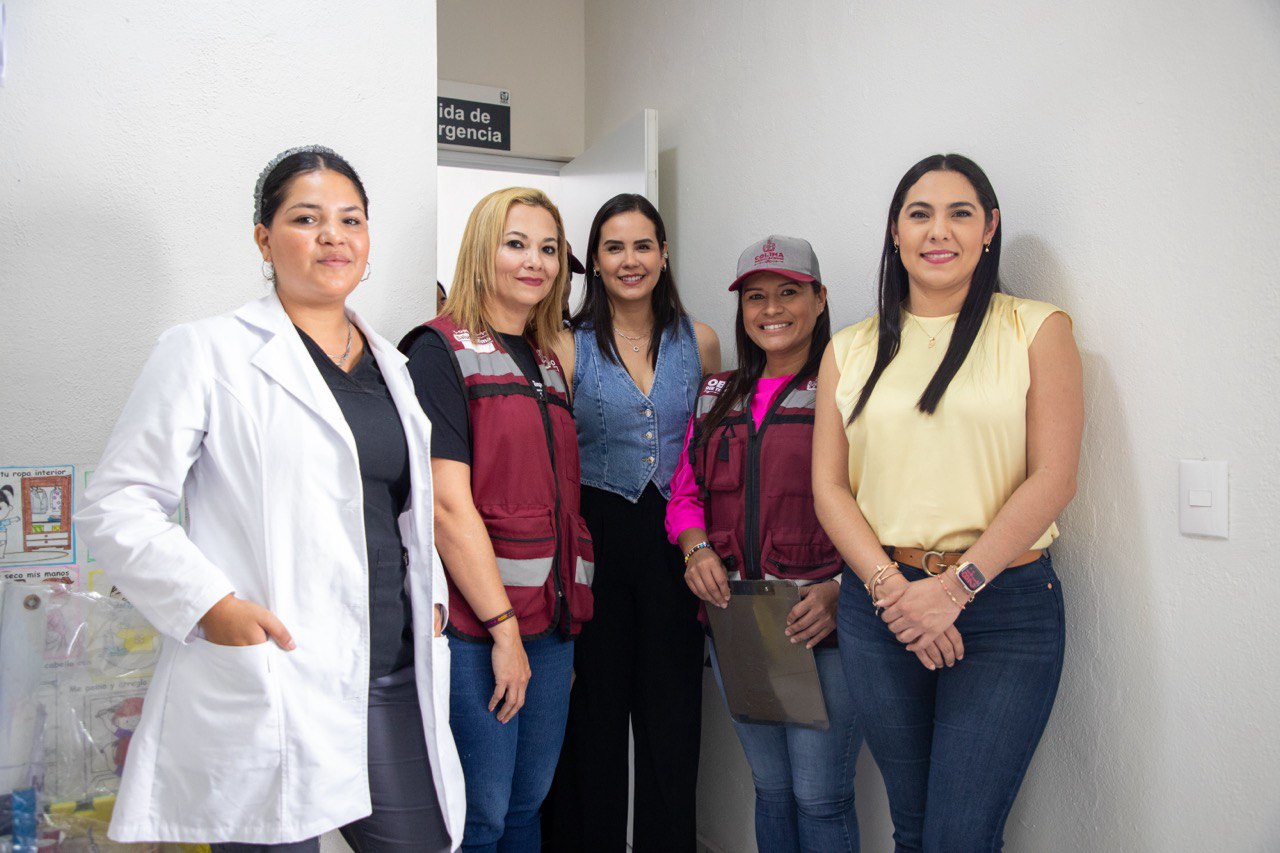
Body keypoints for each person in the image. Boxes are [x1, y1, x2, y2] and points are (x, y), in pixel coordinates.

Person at [74, 145, 464, 851]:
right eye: (306, 218)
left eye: (350, 219)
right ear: (264, 239)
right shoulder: (206, 352)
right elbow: (118, 501)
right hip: (277, 668)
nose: (332, 236)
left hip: (390, 666)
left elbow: (402, 508)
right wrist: (210, 606)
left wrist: (430, 593)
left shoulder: (395, 368)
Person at [813, 154, 1082, 852]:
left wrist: (954, 589)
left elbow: (1053, 478)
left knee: (959, 836)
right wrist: (894, 592)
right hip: (882, 606)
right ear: (895, 232)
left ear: (989, 228)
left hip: (1002, 606)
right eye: (920, 214)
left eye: (960, 213)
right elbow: (830, 487)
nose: (939, 231)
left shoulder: (1036, 328)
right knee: (914, 828)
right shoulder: (849, 348)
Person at [400, 187, 592, 853]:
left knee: (526, 806)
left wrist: (556, 627)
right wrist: (505, 631)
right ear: (483, 251)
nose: (535, 261)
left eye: (548, 248)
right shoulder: (437, 350)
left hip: (551, 624)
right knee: (479, 815)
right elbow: (447, 507)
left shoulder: (548, 359)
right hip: (479, 629)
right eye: (516, 244)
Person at [667, 235, 861, 853]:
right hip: (738, 625)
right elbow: (684, 492)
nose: (771, 309)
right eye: (755, 296)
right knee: (771, 790)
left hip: (820, 629)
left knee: (821, 797)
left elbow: (882, 507)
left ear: (819, 299)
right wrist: (695, 548)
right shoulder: (716, 394)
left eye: (788, 292)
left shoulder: (848, 389)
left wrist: (842, 590)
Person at [546, 193, 720, 853]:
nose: (629, 260)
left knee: (673, 719)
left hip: (676, 546)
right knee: (593, 716)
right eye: (613, 247)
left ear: (664, 253)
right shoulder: (565, 344)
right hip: (595, 541)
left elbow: (708, 451)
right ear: (594, 260)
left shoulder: (700, 340)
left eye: (643, 245)